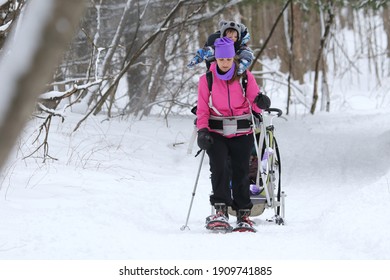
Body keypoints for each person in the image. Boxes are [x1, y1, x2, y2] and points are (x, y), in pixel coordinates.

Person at [196, 37, 271, 232]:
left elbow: (254, 101)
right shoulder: (207, 79)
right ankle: (220, 210)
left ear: (233, 58)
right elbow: (203, 108)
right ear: (216, 59)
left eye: (228, 59)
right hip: (216, 130)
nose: (225, 63)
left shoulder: (245, 76)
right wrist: (202, 130)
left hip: (241, 129)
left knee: (241, 170)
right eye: (221, 59)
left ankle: (243, 213)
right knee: (219, 167)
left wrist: (261, 103)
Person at [187, 20, 254, 75]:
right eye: (230, 37)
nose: (233, 39)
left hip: (235, 71)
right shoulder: (220, 46)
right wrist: (196, 59)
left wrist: (240, 68)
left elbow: (247, 55)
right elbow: (208, 51)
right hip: (219, 71)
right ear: (223, 36)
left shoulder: (239, 45)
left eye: (235, 37)